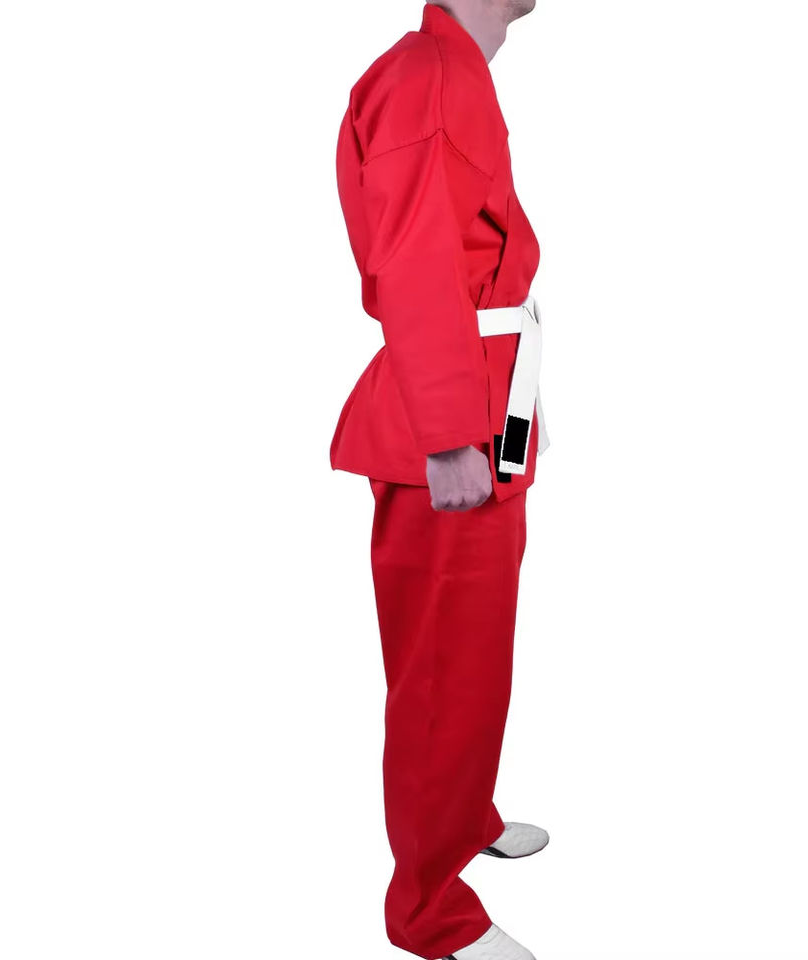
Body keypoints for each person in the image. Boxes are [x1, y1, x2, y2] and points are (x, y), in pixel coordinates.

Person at [330, 3, 549, 958]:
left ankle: (462, 820)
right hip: (452, 434)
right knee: (438, 675)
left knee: (475, 656)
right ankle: (428, 911)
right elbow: (414, 260)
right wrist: (452, 432)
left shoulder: (450, 71)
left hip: (490, 412)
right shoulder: (427, 77)